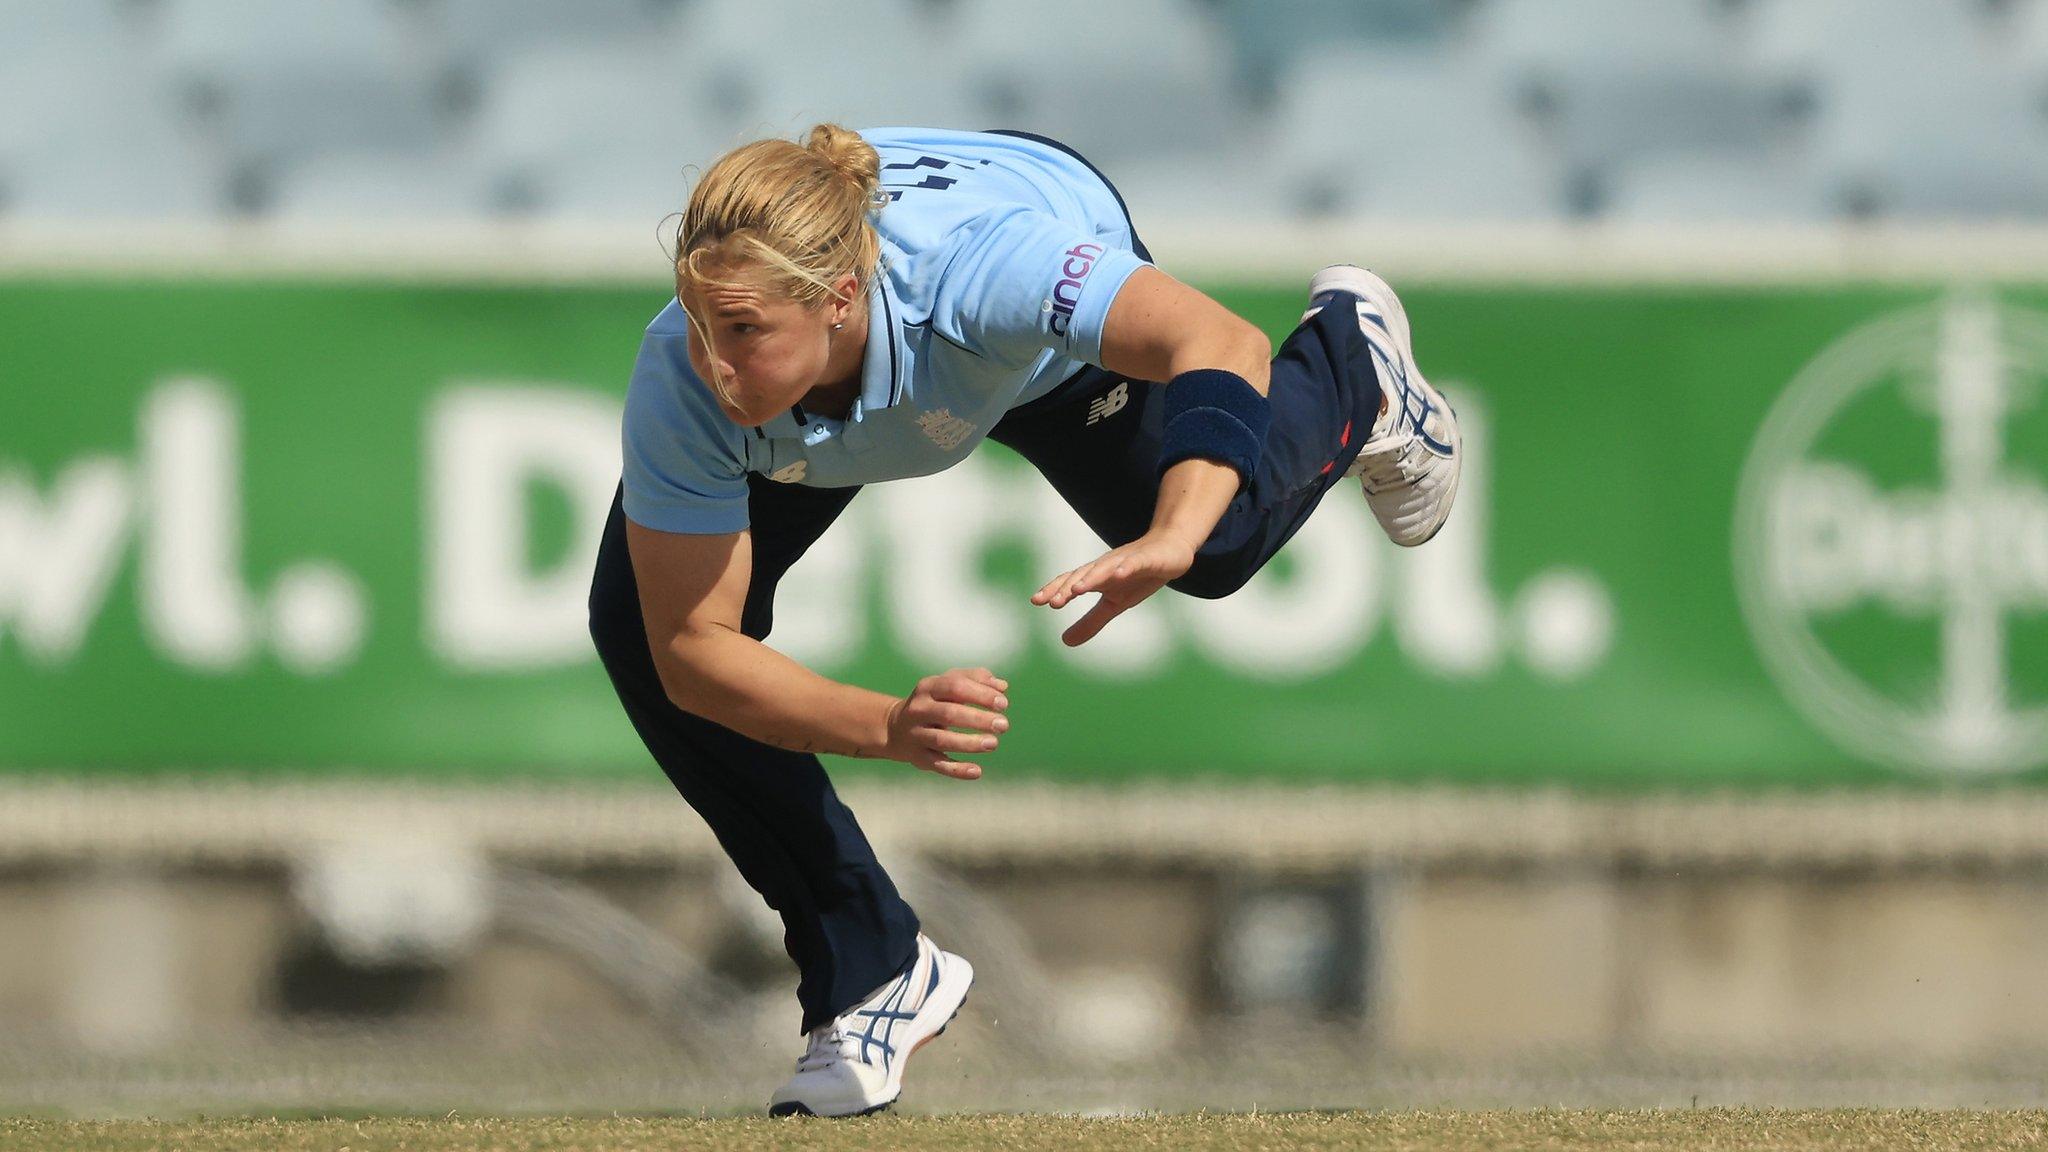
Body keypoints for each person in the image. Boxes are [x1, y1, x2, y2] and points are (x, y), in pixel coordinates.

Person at [586, 124, 1461, 1117]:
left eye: (740, 329)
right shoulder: (691, 380)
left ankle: (1353, 355)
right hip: (824, 410)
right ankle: (872, 975)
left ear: (837, 300)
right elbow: (696, 654)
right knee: (638, 627)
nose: (711, 360)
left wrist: (1171, 532)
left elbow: (1218, 342)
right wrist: (881, 725)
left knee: (1218, 547)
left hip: (1027, 348)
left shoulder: (984, 271)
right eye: (699, 321)